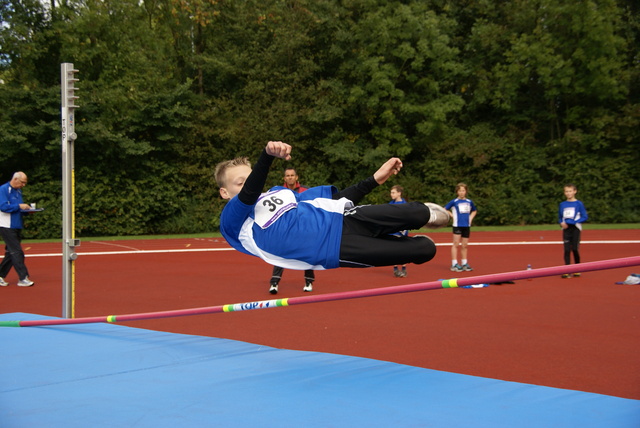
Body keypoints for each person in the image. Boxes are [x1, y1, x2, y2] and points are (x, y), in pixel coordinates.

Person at [214, 141, 449, 273]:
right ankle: (415, 240)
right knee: (424, 250)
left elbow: (336, 198)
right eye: (240, 182)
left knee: (419, 212)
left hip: (343, 217)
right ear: (225, 192)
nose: (250, 183)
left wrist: (375, 179)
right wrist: (265, 158)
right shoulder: (233, 223)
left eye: (251, 177)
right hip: (336, 250)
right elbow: (248, 194)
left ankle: (423, 216)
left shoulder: (280, 192)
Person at [268, 167, 316, 294]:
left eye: (292, 175)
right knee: (280, 254)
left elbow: (313, 206)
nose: (290, 177)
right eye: (287, 175)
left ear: (296, 177)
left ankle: (308, 282)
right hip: (285, 228)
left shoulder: (306, 190)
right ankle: (274, 284)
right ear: (284, 178)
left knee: (307, 254)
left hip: (302, 228)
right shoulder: (278, 191)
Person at [0, 172, 35, 287]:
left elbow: (18, 208)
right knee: (17, 252)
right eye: (22, 182)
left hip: (16, 224)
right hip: (6, 225)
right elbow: (3, 207)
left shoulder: (18, 191)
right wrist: (19, 206)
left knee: (11, 252)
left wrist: (27, 211)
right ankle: (23, 277)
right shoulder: (4, 189)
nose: (23, 185)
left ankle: (0, 275)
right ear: (15, 179)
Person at [445, 182, 477, 272]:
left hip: (466, 225)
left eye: (463, 190)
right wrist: (452, 216)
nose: (462, 192)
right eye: (460, 191)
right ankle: (454, 263)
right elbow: (445, 209)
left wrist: (470, 218)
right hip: (457, 225)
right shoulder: (454, 202)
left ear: (466, 191)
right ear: (457, 192)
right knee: (456, 244)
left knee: (465, 245)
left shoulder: (469, 202)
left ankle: (464, 263)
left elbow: (474, 211)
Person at [558, 183, 588, 278]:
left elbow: (585, 216)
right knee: (566, 250)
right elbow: (560, 217)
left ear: (575, 191)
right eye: (566, 191)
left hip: (575, 228)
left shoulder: (579, 204)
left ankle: (577, 268)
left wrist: (575, 221)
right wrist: (561, 223)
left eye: (570, 191)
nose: (568, 193)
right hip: (566, 229)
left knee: (574, 248)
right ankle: (567, 270)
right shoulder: (562, 204)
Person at [388, 185, 408, 277]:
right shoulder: (390, 204)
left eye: (393, 192)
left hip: (403, 230)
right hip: (393, 230)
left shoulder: (405, 204)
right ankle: (395, 269)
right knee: (394, 250)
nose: (391, 194)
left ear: (399, 193)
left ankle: (404, 269)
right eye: (391, 192)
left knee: (403, 250)